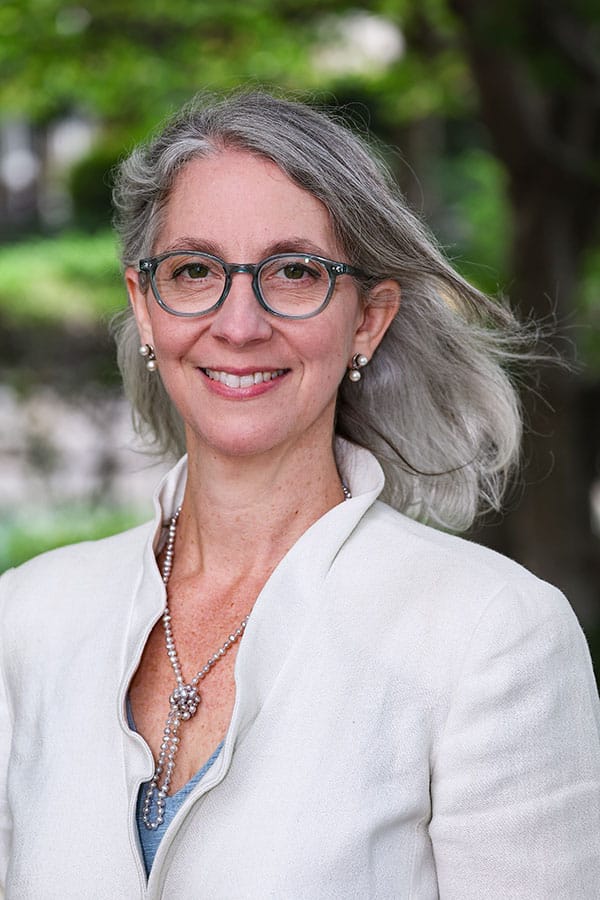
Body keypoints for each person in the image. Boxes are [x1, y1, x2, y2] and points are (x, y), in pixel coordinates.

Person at [0, 90, 598, 899]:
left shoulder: (492, 638)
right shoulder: (26, 621)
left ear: (367, 320)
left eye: (293, 272)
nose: (238, 323)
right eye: (194, 271)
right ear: (145, 307)